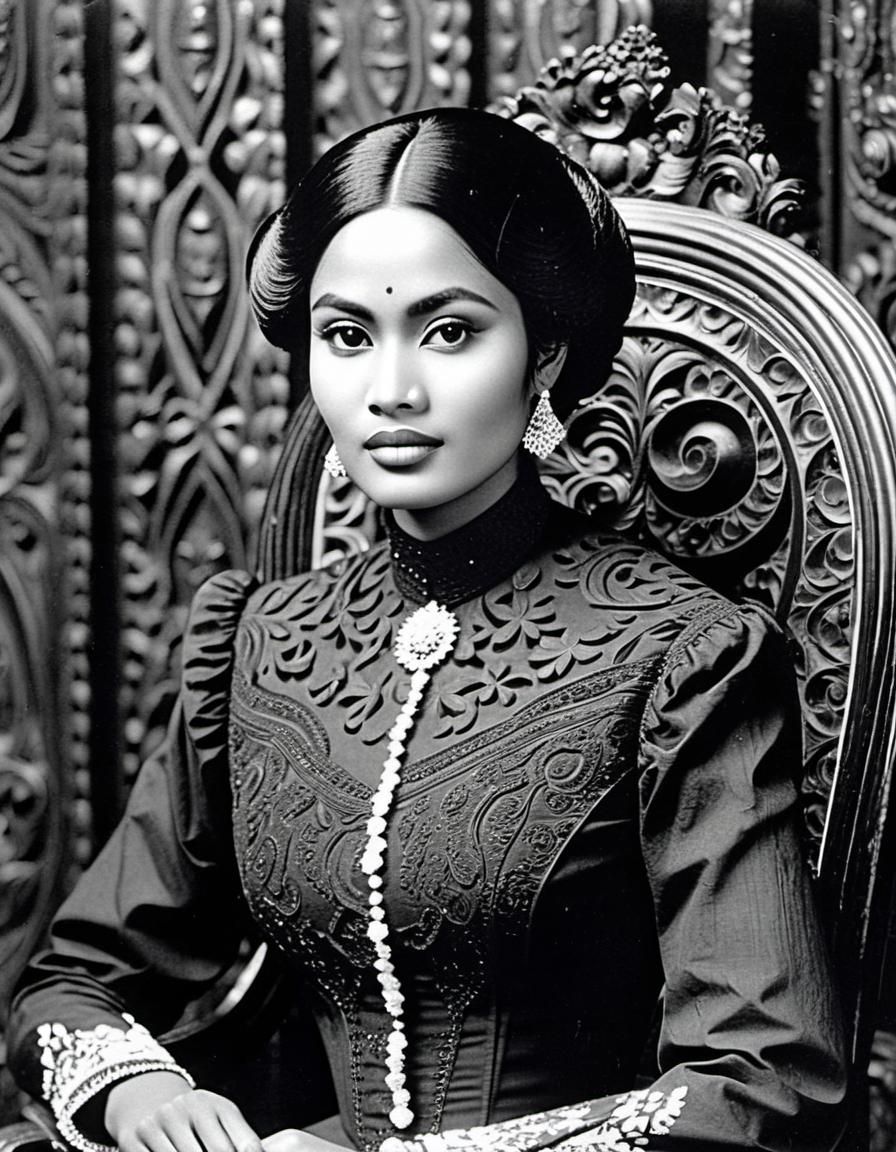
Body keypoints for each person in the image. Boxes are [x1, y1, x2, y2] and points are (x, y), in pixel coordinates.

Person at [7, 107, 846, 1152]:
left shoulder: (681, 657)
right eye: (347, 336)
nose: (390, 391)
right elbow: (73, 981)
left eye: (449, 332)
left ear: (544, 350)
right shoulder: (262, 644)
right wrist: (142, 1095)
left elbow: (768, 1078)